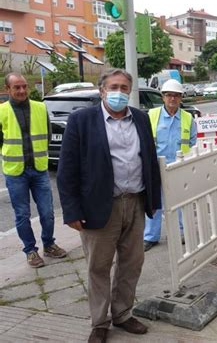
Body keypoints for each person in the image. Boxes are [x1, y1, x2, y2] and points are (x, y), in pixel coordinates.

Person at [57, 69, 161, 343]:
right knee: (98, 267)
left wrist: (154, 200)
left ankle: (123, 314)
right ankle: (100, 322)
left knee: (132, 263)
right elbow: (67, 169)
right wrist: (71, 210)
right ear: (102, 91)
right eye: (113, 87)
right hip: (99, 207)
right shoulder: (82, 120)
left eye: (124, 87)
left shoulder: (139, 118)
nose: (119, 92)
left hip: (135, 203)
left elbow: (149, 160)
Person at [0, 72, 66, 268]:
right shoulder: (2, 111)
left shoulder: (40, 108)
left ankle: (49, 244)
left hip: (38, 169)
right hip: (15, 171)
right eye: (16, 87)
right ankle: (30, 251)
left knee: (47, 211)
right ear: (8, 90)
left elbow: (47, 134)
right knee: (22, 214)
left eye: (24, 87)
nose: (21, 90)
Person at [143, 79, 197, 252]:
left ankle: (181, 233)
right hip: (156, 166)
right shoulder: (152, 115)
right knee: (154, 202)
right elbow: (144, 142)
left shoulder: (188, 117)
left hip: (178, 166)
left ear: (181, 97)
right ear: (163, 97)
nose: (172, 98)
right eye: (169, 95)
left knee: (180, 201)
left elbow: (193, 142)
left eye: (176, 95)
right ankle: (150, 236)